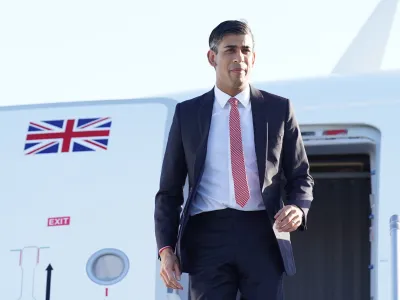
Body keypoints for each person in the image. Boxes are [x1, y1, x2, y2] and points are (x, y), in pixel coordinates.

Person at [154, 19, 314, 300]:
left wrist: (298, 208)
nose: (239, 57)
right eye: (230, 50)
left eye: (245, 50)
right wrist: (166, 249)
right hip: (207, 236)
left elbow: (301, 175)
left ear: (253, 58)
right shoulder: (187, 115)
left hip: (263, 233)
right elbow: (169, 191)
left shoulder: (279, 109)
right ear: (212, 57)